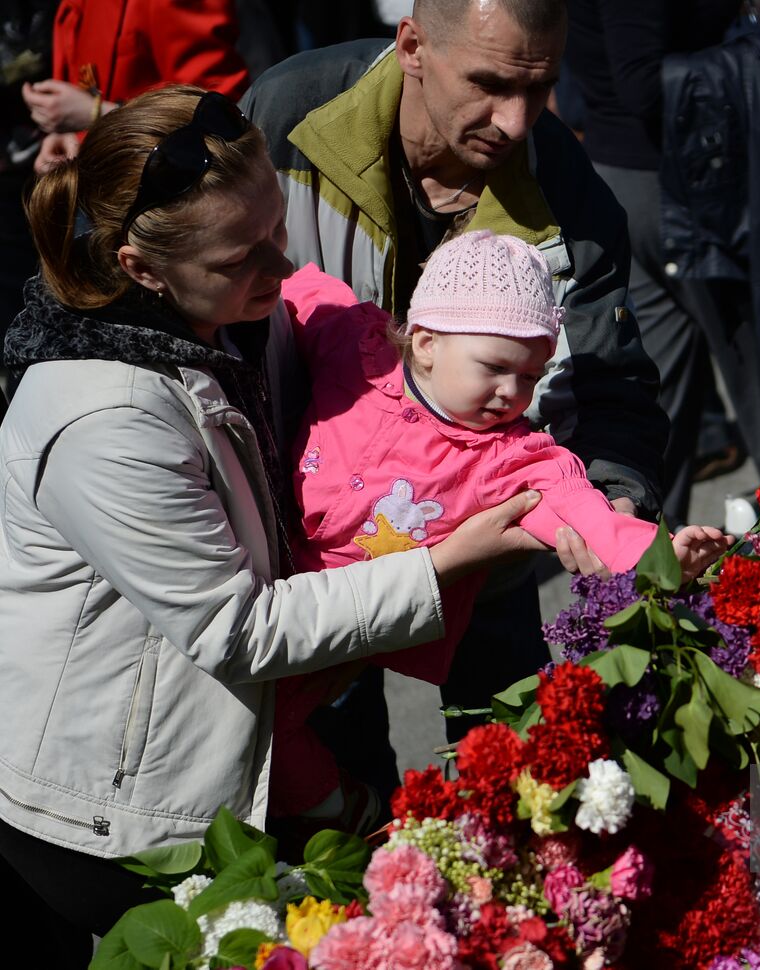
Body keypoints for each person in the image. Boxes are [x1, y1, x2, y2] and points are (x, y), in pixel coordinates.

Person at [0, 85, 550, 949]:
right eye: (242, 255)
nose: (281, 267)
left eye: (277, 230)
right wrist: (442, 563)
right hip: (120, 819)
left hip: (248, 749)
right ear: (142, 268)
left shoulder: (234, 321)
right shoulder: (104, 417)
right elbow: (236, 625)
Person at [241, 0, 668, 761]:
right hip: (303, 559)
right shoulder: (287, 116)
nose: (515, 120)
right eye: (489, 83)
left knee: (511, 780)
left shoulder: (573, 195)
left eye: (539, 90)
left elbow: (612, 387)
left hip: (490, 560)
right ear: (411, 45)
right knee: (329, 794)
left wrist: (613, 505)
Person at [271, 230, 729, 825]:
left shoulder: (512, 460)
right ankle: (353, 820)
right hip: (281, 597)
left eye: (531, 377)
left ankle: (355, 819)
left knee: (276, 735)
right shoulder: (355, 349)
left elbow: (584, 514)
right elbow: (299, 292)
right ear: (427, 342)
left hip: (366, 624)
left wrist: (663, 554)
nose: (512, 394)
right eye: (495, 368)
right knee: (257, 733)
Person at [564, 0, 760, 525]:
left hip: (634, 184)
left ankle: (647, 590)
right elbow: (641, 83)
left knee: (653, 415)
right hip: (680, 193)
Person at [22, 0, 250, 174]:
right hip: (107, 187)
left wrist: (98, 114)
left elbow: (219, 112)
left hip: (169, 201)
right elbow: (89, 81)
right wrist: (68, 133)